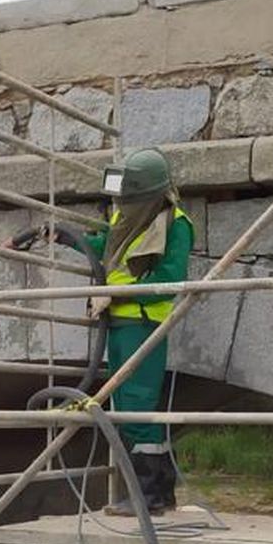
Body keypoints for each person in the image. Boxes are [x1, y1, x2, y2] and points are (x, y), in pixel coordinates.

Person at [82, 147, 195, 516]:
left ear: (149, 194)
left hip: (143, 322)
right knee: (126, 406)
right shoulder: (130, 218)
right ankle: (159, 493)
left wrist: (115, 292)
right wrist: (66, 238)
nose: (121, 206)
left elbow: (170, 278)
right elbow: (108, 247)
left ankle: (150, 495)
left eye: (128, 199)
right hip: (118, 322)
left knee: (136, 407)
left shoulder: (175, 223)